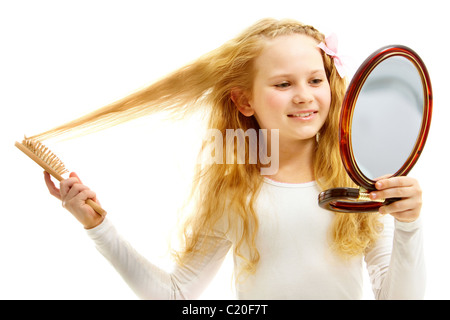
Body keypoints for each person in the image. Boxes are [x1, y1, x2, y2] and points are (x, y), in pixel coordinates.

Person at [38, 18, 425, 299]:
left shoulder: (361, 185)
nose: (304, 95)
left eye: (315, 79)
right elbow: (175, 295)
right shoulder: (235, 191)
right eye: (283, 83)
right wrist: (98, 226)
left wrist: (408, 224)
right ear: (244, 101)